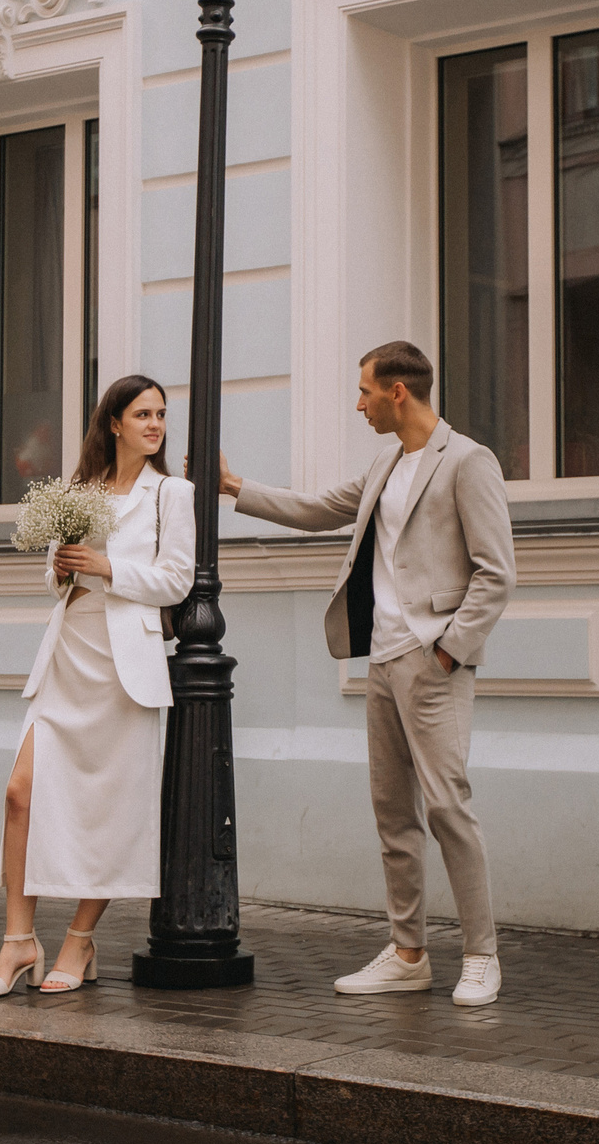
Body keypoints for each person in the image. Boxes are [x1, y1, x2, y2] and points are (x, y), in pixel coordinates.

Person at [219, 341, 515, 1007]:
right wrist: (235, 488)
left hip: (432, 659)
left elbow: (497, 572)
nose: (359, 404)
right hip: (382, 660)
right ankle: (408, 953)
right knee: (392, 814)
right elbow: (318, 509)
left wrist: (448, 649)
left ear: (397, 393)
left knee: (447, 807)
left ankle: (481, 954)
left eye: (364, 392)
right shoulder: (386, 462)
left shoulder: (467, 461)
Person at [0, 376, 194, 998]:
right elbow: (55, 576)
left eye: (160, 414)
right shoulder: (79, 490)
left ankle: (79, 939)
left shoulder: (170, 494)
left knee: (109, 809)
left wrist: (107, 566)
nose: (155, 424)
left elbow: (177, 580)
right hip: (71, 649)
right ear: (115, 423)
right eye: (142, 414)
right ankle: (19, 939)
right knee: (22, 791)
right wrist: (63, 563)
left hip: (126, 664)